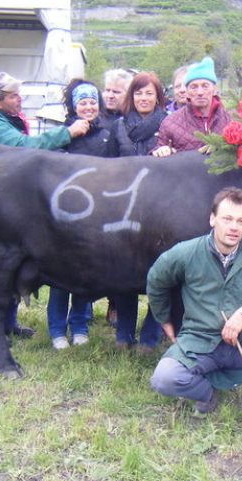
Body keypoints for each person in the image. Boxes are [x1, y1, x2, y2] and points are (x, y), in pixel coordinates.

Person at [148, 187, 242, 441]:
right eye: (227, 219)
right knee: (164, 379)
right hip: (200, 342)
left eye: (241, 221)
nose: (234, 227)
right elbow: (156, 278)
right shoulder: (186, 252)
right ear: (212, 219)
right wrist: (164, 318)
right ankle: (207, 394)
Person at [0, 72, 89, 339]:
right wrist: (67, 133)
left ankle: (8, 324)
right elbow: (26, 148)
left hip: (6, 199)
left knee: (11, 260)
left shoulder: (7, 118)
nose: (19, 100)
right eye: (14, 96)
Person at [47, 79, 118, 350]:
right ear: (75, 107)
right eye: (83, 103)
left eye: (92, 103)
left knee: (82, 273)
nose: (88, 107)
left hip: (96, 213)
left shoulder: (108, 132)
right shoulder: (64, 133)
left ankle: (79, 325)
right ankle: (56, 329)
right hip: (64, 212)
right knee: (59, 274)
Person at [108, 72, 168, 352]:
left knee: (161, 274)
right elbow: (106, 167)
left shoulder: (168, 124)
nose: (144, 99)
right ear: (131, 97)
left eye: (149, 94)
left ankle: (150, 337)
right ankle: (123, 335)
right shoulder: (118, 126)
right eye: (139, 93)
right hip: (122, 209)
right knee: (123, 273)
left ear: (158, 97)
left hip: (159, 211)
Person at [151, 57, 230, 157]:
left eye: (205, 86)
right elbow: (157, 156)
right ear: (187, 92)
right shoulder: (170, 123)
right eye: (194, 87)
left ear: (214, 89)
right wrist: (161, 150)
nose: (200, 92)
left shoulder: (231, 120)